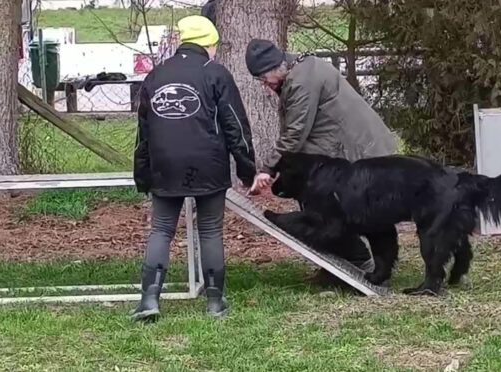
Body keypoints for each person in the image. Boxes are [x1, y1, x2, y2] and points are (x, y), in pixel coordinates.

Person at [131, 15, 258, 321]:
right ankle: (215, 303)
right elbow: (236, 127)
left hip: (165, 164)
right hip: (209, 164)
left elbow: (143, 133)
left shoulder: (156, 76)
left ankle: (149, 300)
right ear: (209, 44)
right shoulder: (215, 73)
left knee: (161, 230)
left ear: (181, 41)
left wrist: (142, 173)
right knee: (210, 230)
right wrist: (247, 169)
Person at [244, 39, 399, 282]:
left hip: (357, 151)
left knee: (349, 212)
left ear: (277, 66)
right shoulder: (300, 69)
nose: (266, 86)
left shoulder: (301, 82)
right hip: (348, 147)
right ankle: (350, 262)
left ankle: (361, 261)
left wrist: (267, 170)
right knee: (345, 210)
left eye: (265, 79)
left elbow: (295, 133)